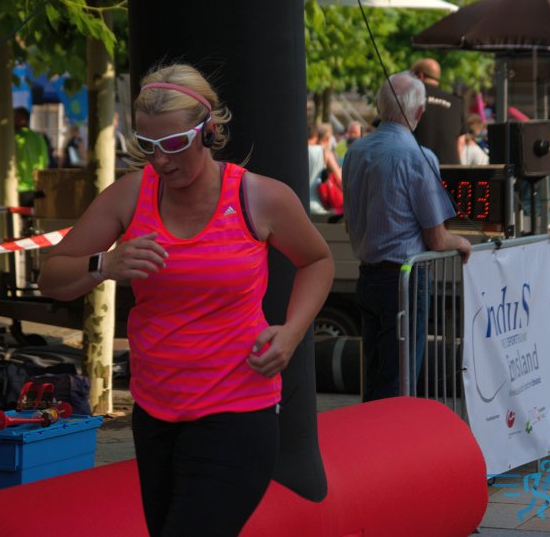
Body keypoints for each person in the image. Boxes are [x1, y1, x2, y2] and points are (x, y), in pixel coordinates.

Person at [37, 63, 333, 536]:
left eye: (174, 144)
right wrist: (104, 264)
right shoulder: (130, 195)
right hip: (156, 412)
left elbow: (317, 261)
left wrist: (292, 333)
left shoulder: (258, 196)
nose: (161, 160)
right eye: (147, 145)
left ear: (208, 131)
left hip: (238, 408)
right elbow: (51, 277)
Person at [342, 71, 471, 401]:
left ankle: (373, 434)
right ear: (420, 112)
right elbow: (437, 239)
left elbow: (350, 224)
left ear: (379, 106)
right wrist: (463, 243)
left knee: (373, 382)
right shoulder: (419, 157)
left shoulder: (355, 152)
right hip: (404, 284)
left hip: (367, 279)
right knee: (399, 385)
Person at [411, 58, 464, 165]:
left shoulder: (409, 98)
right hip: (450, 169)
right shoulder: (456, 101)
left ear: (420, 76)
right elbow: (460, 142)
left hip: (419, 168)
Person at [14, 107, 50, 207]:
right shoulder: (39, 138)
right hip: (36, 187)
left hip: (18, 188)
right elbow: (45, 165)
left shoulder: (13, 138)